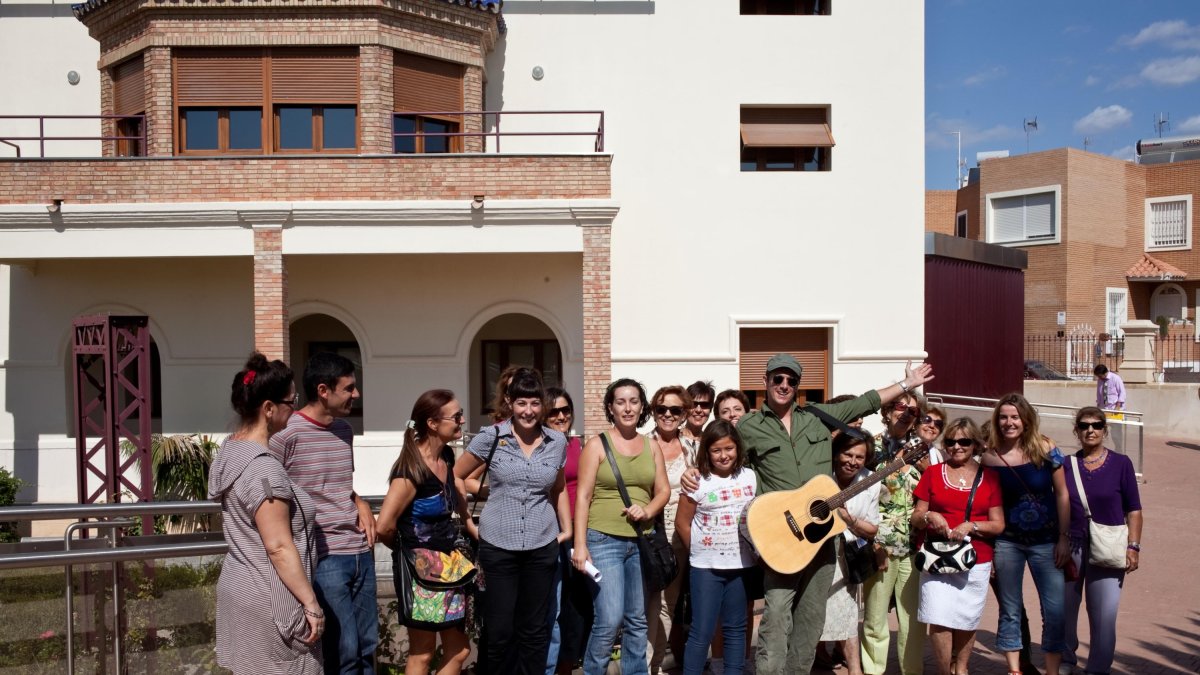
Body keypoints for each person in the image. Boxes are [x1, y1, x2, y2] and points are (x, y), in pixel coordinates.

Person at [682, 353, 934, 675]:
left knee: (811, 620)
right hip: (781, 540)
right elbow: (722, 452)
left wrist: (906, 385)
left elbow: (865, 402)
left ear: (798, 387)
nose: (784, 385)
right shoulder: (749, 425)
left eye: (791, 380)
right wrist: (695, 472)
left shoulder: (817, 416)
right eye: (778, 378)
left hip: (822, 539)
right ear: (766, 382)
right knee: (776, 617)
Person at [210, 354, 323, 675]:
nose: (296, 409)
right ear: (269, 408)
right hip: (271, 597)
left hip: (239, 587)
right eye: (292, 401)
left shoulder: (230, 452)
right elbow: (278, 546)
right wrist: (311, 605)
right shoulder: (263, 469)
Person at [454, 368, 572, 675]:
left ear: (542, 405)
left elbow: (558, 488)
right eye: (522, 403)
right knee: (500, 630)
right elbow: (456, 474)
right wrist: (467, 519)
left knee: (534, 629)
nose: (528, 411)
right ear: (510, 402)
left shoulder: (557, 441)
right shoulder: (491, 437)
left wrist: (568, 528)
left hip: (541, 543)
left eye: (534, 403)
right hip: (499, 544)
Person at [271, 352, 377, 675]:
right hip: (324, 556)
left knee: (368, 647)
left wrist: (359, 502)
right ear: (323, 390)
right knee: (341, 651)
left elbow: (341, 486)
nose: (355, 395)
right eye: (349, 388)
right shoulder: (286, 436)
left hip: (360, 551)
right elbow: (274, 499)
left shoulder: (345, 431)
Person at [572, 378, 670, 675]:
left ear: (642, 407)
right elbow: (584, 496)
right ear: (610, 408)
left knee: (637, 619)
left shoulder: (652, 446)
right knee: (609, 618)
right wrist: (580, 544)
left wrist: (648, 509)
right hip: (603, 539)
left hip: (642, 540)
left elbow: (663, 490)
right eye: (620, 402)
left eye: (634, 401)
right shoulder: (596, 444)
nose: (628, 408)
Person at [376, 390, 478, 675]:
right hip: (419, 572)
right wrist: (408, 550)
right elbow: (383, 525)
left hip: (449, 567)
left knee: (459, 650)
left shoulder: (445, 455)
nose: (462, 420)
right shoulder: (410, 470)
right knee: (422, 653)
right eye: (456, 416)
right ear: (433, 424)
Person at [981, 393, 1071, 675]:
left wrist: (1064, 537)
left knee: (1054, 610)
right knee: (1010, 608)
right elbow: (987, 506)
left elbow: (1063, 494)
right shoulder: (989, 457)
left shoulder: (1046, 449)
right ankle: (1015, 670)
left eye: (1015, 417)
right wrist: (991, 549)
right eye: (1004, 417)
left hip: (1047, 542)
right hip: (1008, 543)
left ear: (1026, 419)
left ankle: (1052, 670)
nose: (1009, 422)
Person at [911, 418, 1005, 675]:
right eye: (950, 441)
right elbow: (916, 517)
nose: (956, 447)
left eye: (964, 441)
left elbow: (998, 524)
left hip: (976, 558)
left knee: (966, 618)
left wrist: (971, 526)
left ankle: (961, 669)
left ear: (975, 444)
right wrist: (931, 516)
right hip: (936, 557)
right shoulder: (932, 473)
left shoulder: (990, 477)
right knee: (939, 617)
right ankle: (944, 672)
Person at [1061, 407, 1143, 675]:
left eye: (1096, 425)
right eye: (1084, 426)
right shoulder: (1065, 465)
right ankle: (1065, 659)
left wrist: (1133, 546)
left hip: (1109, 546)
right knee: (1065, 609)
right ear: (1077, 430)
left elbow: (1134, 509)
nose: (1090, 430)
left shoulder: (1122, 464)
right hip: (1071, 545)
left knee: (1104, 615)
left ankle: (1097, 669)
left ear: (1105, 430)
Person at [675, 421, 758, 675]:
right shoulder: (697, 481)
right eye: (716, 450)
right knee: (702, 630)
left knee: (736, 629)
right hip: (706, 570)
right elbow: (682, 523)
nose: (724, 456)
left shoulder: (749, 477)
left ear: (738, 448)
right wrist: (700, 553)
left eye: (729, 449)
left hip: (741, 567)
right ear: (707, 453)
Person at [861, 391, 925, 675]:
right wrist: (870, 542)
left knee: (912, 620)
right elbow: (859, 496)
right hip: (881, 544)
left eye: (913, 411)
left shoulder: (925, 450)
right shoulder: (869, 447)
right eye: (901, 407)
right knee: (875, 619)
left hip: (913, 547)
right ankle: (874, 671)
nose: (906, 413)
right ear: (886, 411)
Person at [817, 432, 882, 675]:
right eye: (848, 454)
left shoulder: (871, 481)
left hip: (848, 556)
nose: (852, 461)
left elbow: (872, 528)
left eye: (859, 457)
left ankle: (855, 670)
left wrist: (847, 518)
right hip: (814, 551)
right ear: (836, 453)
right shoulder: (821, 476)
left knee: (846, 612)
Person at [646, 385, 696, 674]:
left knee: (668, 603)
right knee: (644, 603)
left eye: (675, 410)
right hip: (647, 534)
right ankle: (640, 664)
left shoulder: (693, 449)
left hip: (679, 534)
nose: (668, 414)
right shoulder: (641, 445)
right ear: (653, 411)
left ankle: (655, 665)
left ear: (684, 414)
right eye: (661, 409)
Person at [543, 387, 592, 675]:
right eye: (554, 412)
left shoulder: (577, 444)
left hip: (580, 534)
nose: (561, 416)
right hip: (552, 535)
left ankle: (565, 667)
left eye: (565, 410)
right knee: (554, 609)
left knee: (577, 608)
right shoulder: (540, 446)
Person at [682, 380, 715, 449]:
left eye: (704, 405)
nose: (698, 410)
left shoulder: (711, 443)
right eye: (693, 404)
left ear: (711, 408)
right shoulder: (673, 438)